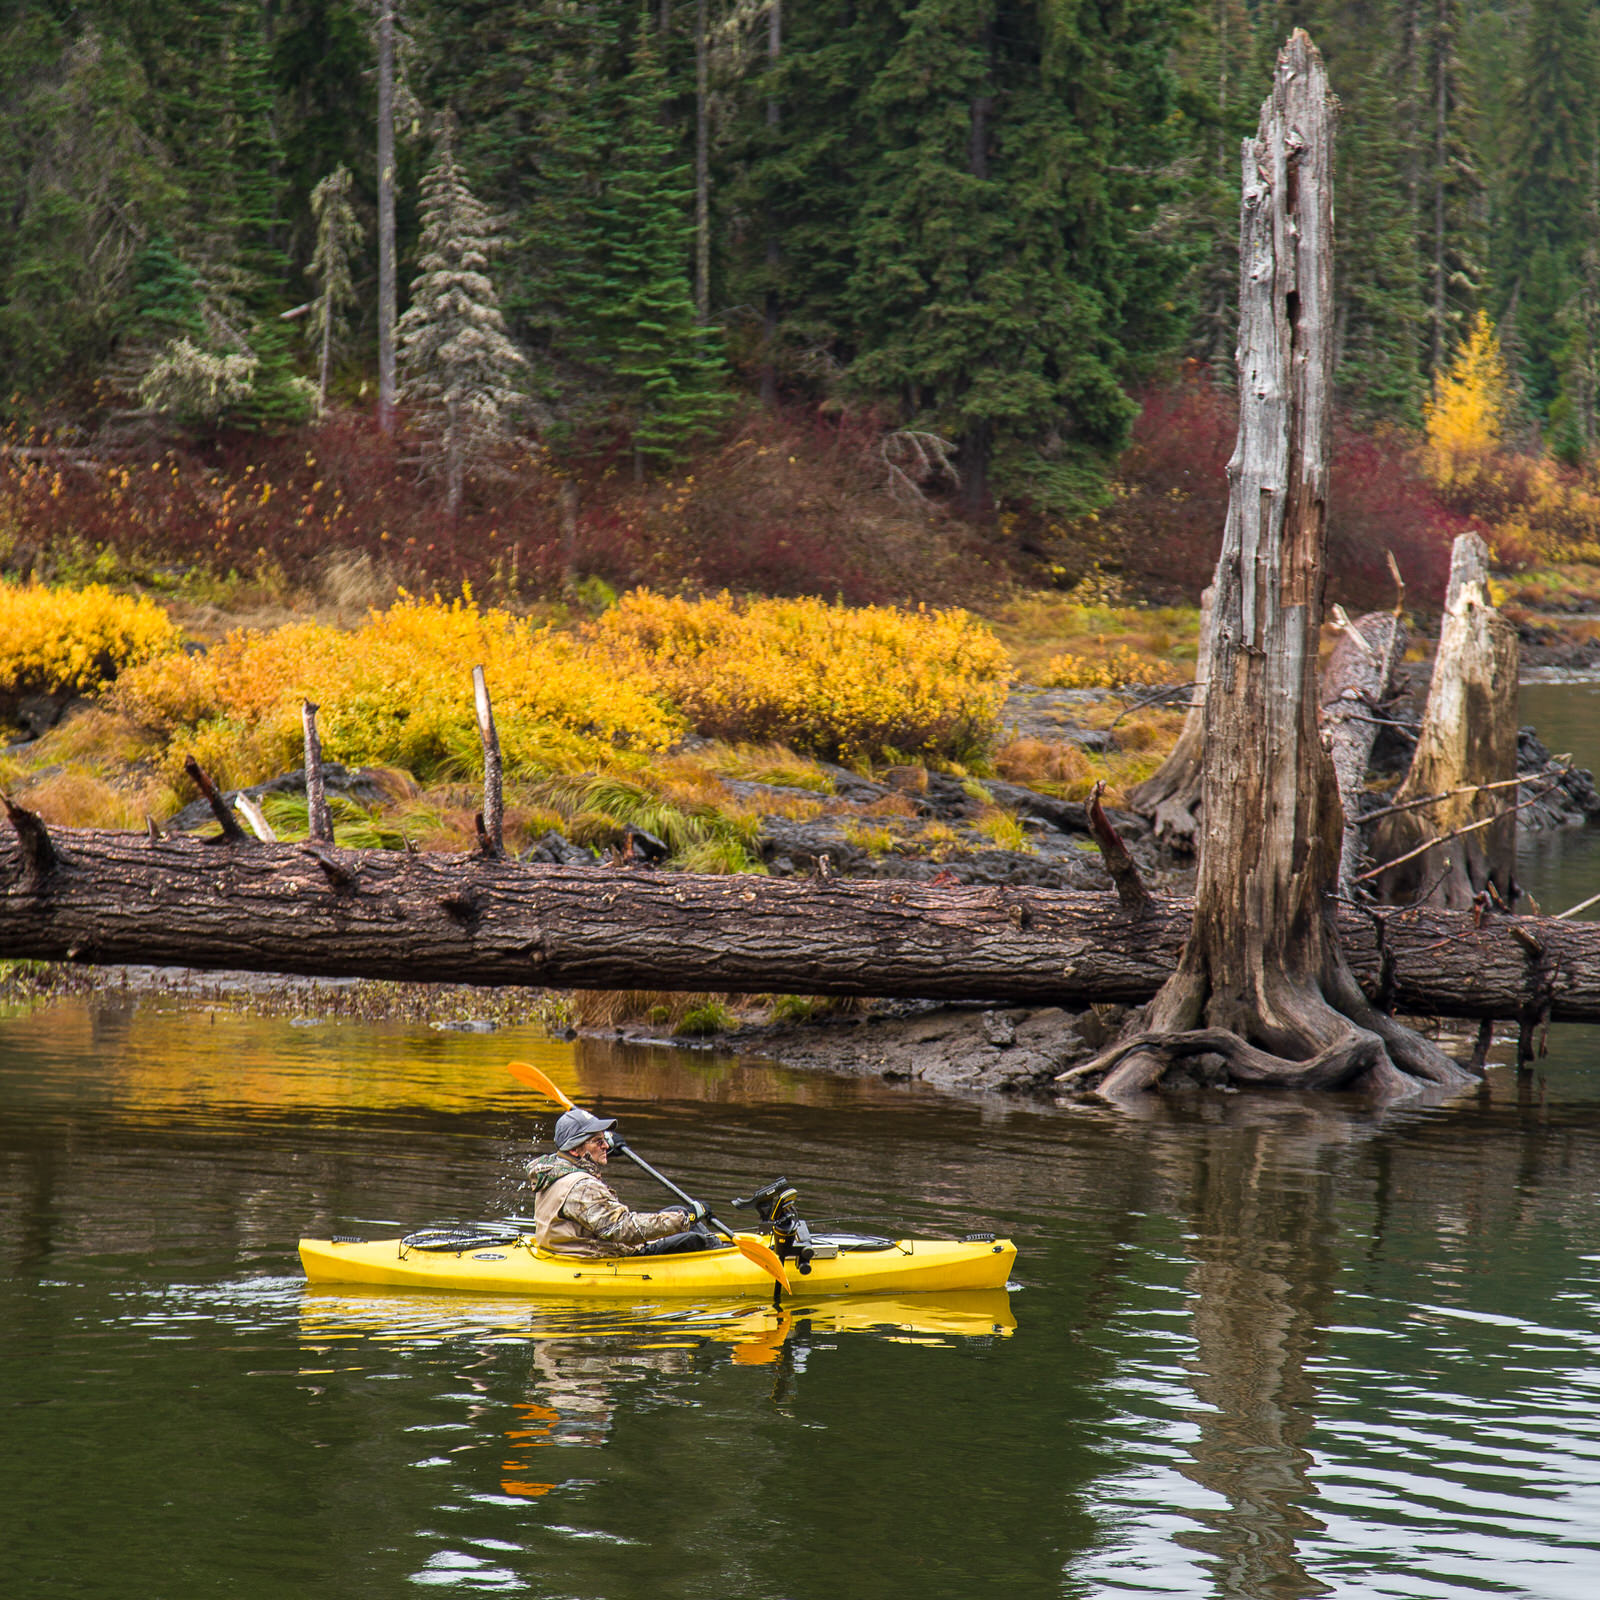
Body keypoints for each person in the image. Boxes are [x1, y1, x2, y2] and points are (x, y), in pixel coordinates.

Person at [527, 1108, 717, 1259]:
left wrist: (602, 1147)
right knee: (694, 1239)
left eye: (604, 1139)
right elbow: (622, 1229)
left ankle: (719, 1247)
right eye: (598, 1141)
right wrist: (687, 1217)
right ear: (576, 1149)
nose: (606, 1145)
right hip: (599, 1255)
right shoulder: (583, 1187)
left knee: (677, 1209)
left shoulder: (553, 1168)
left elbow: (578, 1159)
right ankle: (724, 1257)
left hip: (567, 1246)